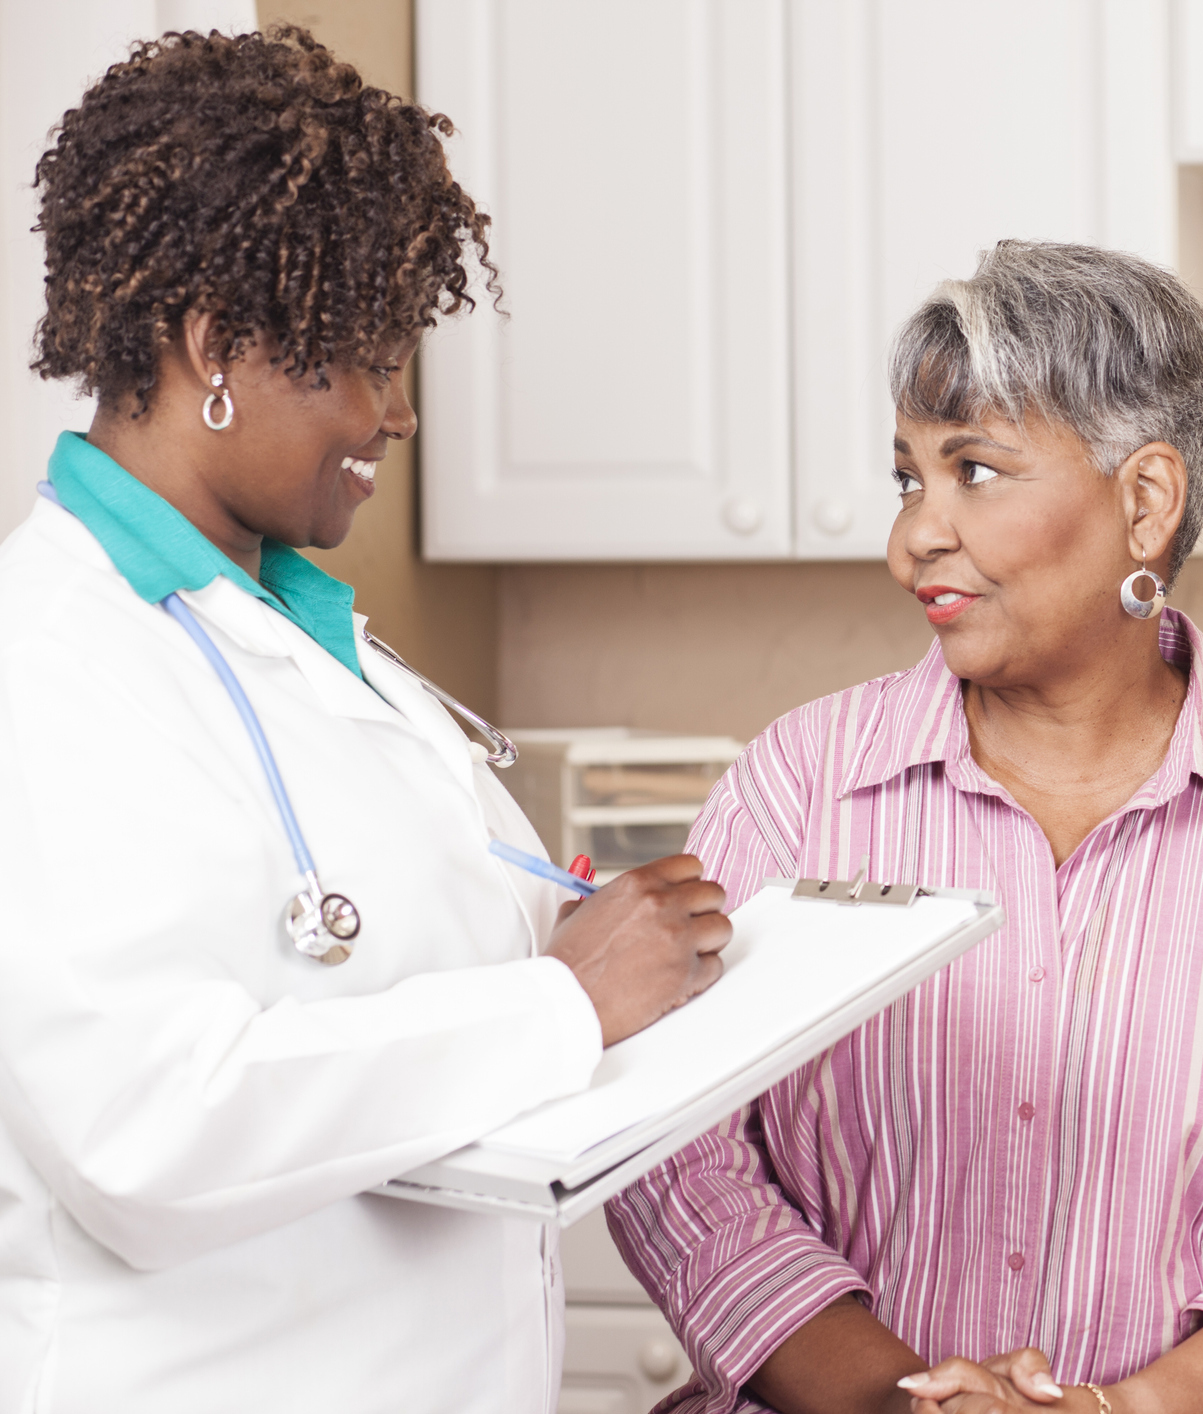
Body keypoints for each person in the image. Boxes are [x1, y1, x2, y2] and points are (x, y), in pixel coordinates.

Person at [608, 240, 1203, 1414]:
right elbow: (675, 1146)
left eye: (974, 470)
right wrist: (894, 1402)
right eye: (908, 477)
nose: (912, 535)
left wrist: (1133, 1411)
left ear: (1145, 500)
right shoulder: (799, 784)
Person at [0, 28, 732, 1412]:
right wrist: (562, 996)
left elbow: (412, 964)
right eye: (369, 363)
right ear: (214, 347)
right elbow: (146, 1128)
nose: (397, 415)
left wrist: (619, 947)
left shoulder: (313, 646)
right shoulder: (46, 664)